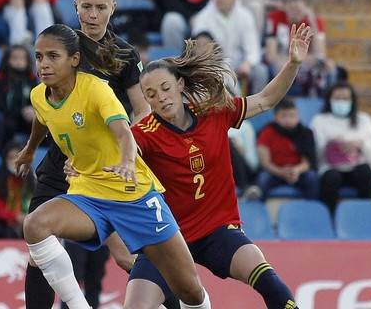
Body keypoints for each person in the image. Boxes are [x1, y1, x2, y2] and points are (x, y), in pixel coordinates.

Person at [113, 23, 313, 309]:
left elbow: (267, 99)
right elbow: (121, 153)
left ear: (180, 85)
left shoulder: (214, 112)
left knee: (267, 279)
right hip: (166, 237)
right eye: (151, 94)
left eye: (166, 88)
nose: (161, 98)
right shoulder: (144, 134)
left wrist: (293, 63)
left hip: (217, 231)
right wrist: (82, 166)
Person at [15, 23, 210, 309]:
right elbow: (43, 119)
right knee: (35, 224)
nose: (43, 64)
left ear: (74, 60)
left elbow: (123, 132)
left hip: (133, 195)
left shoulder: (96, 91)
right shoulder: (38, 95)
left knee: (189, 290)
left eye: (53, 56)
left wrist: (128, 161)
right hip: (88, 193)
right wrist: (30, 149)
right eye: (39, 57)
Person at [22, 0, 152, 309]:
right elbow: (45, 107)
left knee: (126, 256)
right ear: (75, 6)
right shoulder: (61, 47)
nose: (92, 15)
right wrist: (31, 147)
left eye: (100, 7)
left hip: (104, 168)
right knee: (37, 247)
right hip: (61, 165)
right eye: (85, 7)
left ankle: (182, 301)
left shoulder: (124, 55)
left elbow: (141, 111)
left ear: (113, 7)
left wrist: (128, 155)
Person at [310, 81, 371, 214]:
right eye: (337, 99)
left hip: (358, 169)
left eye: (345, 99)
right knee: (331, 177)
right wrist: (329, 146)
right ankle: (328, 218)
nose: (342, 102)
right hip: (331, 169)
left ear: (352, 100)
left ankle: (366, 215)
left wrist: (362, 145)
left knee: (365, 171)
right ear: (329, 99)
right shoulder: (319, 121)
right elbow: (313, 156)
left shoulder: (364, 120)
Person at [191, 0, 268, 95]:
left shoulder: (245, 16)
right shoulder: (203, 18)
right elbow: (198, 49)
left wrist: (247, 63)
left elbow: (252, 47)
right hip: (214, 65)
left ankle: (256, 109)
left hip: (239, 64)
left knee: (261, 72)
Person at [265, 0, 343, 97]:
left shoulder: (315, 21)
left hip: (305, 62)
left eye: (298, 0)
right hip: (283, 60)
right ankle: (280, 103)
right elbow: (271, 56)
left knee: (329, 66)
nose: (294, 5)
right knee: (280, 66)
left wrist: (312, 22)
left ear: (304, 3)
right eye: (289, 1)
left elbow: (320, 54)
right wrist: (294, 60)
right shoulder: (274, 18)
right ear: (282, 5)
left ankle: (326, 104)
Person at [254, 97, 319, 200]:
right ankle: (256, 210)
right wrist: (281, 172)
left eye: (292, 116)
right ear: (275, 117)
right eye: (283, 116)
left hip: (298, 172)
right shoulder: (266, 132)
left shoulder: (305, 133)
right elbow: (265, 163)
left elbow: (308, 162)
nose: (288, 120)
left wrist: (296, 171)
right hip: (274, 172)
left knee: (312, 177)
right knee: (263, 178)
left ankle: (312, 210)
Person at [0, 44, 39, 144]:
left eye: (22, 58)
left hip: (26, 118)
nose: (19, 61)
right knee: (6, 124)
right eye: (15, 58)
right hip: (8, 118)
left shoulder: (32, 79)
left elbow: (37, 100)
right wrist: (20, 112)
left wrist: (33, 110)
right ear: (7, 60)